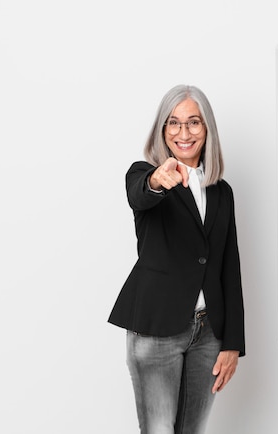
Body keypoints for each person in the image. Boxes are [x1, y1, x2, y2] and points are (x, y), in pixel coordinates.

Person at [108, 84, 245, 434]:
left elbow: (229, 267)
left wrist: (232, 343)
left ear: (207, 128)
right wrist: (157, 179)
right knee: (159, 430)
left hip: (208, 332)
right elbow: (139, 195)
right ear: (163, 129)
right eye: (174, 123)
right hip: (156, 331)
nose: (184, 133)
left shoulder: (221, 190)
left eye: (194, 122)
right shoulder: (145, 174)